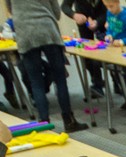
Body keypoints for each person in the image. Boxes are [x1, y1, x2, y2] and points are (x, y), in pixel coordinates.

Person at [11, 0, 89, 132]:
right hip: (47, 30)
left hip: (25, 33)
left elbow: (10, 9)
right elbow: (57, 13)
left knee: (36, 82)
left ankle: (44, 123)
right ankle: (69, 121)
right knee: (60, 79)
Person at [60, 0, 107, 97]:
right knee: (87, 55)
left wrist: (97, 22)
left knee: (108, 52)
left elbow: (110, 8)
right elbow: (65, 6)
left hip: (103, 20)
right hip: (84, 22)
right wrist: (74, 15)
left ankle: (116, 82)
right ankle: (97, 83)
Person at [103, 0, 126, 112]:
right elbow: (109, 29)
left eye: (111, 6)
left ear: (118, 2)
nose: (109, 9)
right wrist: (108, 35)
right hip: (114, 49)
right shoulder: (109, 13)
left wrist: (122, 41)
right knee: (117, 75)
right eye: (107, 6)